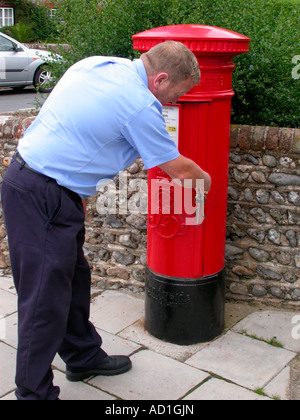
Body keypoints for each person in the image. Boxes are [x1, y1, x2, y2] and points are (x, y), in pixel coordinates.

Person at [1, 41, 211, 400]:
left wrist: (75, 194)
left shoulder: (98, 64)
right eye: (179, 92)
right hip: (45, 194)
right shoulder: (140, 106)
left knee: (74, 279)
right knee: (43, 302)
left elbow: (71, 124)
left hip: (44, 187)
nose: (175, 102)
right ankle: (33, 394)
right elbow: (176, 168)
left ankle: (82, 356)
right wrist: (210, 184)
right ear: (160, 79)